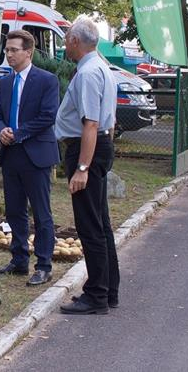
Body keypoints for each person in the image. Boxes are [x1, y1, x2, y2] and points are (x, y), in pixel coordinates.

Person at [56, 19, 119, 315]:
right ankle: (109, 290)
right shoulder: (102, 67)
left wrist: (83, 166)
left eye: (67, 39)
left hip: (86, 151)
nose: (65, 44)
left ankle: (96, 295)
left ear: (76, 42)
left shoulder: (89, 73)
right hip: (99, 146)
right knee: (101, 223)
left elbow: (90, 123)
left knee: (90, 226)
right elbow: (109, 120)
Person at [0, 30, 60, 286]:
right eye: (6, 50)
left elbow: (47, 116)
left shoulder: (47, 80)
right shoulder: (5, 82)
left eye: (13, 50)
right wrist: (1, 130)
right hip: (11, 155)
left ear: (28, 52)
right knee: (15, 212)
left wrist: (18, 133)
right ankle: (19, 260)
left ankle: (44, 265)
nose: (8, 54)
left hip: (36, 155)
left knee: (42, 213)